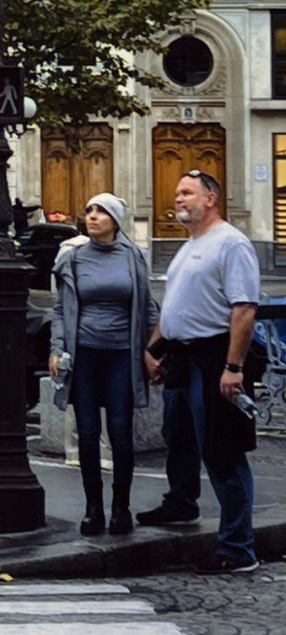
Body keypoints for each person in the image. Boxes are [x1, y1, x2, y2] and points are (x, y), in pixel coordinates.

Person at [138, 170, 262, 574]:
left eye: (187, 192)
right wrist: (153, 349)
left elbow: (244, 308)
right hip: (181, 357)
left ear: (211, 199)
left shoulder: (231, 243)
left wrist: (233, 367)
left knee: (222, 450)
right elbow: (174, 304)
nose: (178, 199)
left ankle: (238, 548)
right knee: (179, 437)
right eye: (176, 193)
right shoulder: (189, 245)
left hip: (213, 357)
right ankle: (181, 503)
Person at [49, 192, 156, 536]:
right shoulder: (73, 257)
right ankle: (93, 508)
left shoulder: (133, 258)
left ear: (115, 221)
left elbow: (149, 307)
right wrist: (56, 348)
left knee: (122, 432)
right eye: (90, 211)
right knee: (88, 432)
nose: (92, 216)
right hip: (84, 355)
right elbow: (59, 309)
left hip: (121, 354)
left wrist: (154, 350)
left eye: (101, 211)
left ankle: (120, 507)